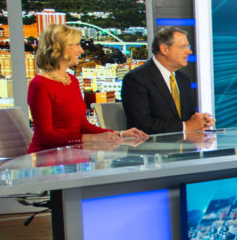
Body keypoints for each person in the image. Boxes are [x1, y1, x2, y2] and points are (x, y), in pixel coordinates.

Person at [27, 24, 147, 153]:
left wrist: (120, 134)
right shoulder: (40, 85)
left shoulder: (72, 81)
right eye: (77, 45)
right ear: (60, 48)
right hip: (47, 160)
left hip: (73, 155)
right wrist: (91, 139)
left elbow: (82, 125)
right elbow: (46, 137)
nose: (82, 51)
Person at [121, 27, 214, 135]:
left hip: (184, 148)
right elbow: (141, 124)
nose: (189, 51)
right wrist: (186, 126)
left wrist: (201, 122)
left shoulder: (183, 79)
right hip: (152, 149)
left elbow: (188, 116)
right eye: (183, 47)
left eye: (188, 46)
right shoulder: (136, 79)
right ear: (165, 49)